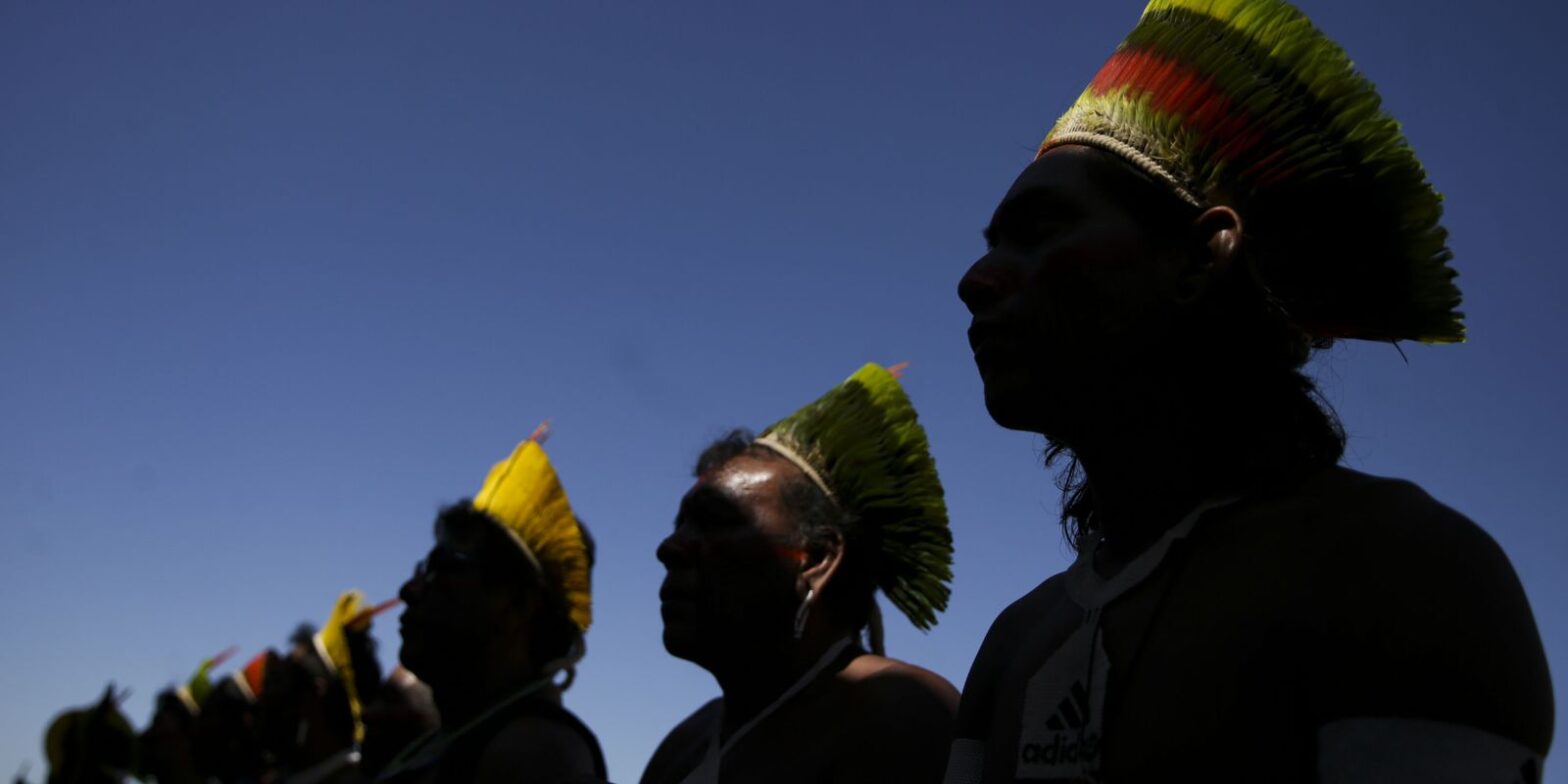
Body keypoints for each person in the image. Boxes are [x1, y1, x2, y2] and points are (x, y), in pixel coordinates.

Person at [949, 0, 1554, 780]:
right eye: (993, 245)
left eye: (1041, 231)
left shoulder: (1397, 571)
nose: (975, 281)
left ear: (1203, 256)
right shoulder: (1016, 643)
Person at [642, 363, 959, 784]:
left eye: (714, 521)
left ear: (817, 559)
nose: (669, 548)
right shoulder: (683, 746)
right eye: (679, 525)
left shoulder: (899, 716)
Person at [381, 425, 607, 784]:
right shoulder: (449, 743)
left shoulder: (535, 757)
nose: (409, 590)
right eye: (422, 571)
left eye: (444, 568)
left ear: (517, 605)